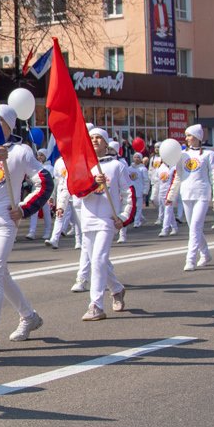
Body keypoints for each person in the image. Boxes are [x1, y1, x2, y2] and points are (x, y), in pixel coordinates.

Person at [0, 103, 49, 354]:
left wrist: (24, 208)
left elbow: (45, 181)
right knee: (2, 275)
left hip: (5, 220)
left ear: (9, 124)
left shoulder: (22, 152)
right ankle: (29, 316)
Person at [75, 130, 135, 320]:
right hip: (87, 219)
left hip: (107, 219)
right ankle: (117, 289)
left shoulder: (117, 166)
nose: (95, 140)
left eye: (99, 137)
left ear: (106, 142)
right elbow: (77, 192)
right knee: (95, 261)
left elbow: (129, 194)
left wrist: (123, 217)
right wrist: (93, 183)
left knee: (99, 260)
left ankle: (96, 305)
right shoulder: (83, 165)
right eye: (92, 137)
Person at [170, 124, 214, 269]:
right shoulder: (182, 155)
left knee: (196, 226)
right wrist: (171, 196)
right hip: (186, 194)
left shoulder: (209, 154)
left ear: (197, 137)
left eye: (189, 135)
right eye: (186, 136)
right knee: (193, 228)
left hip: (202, 193)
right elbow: (178, 176)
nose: (187, 138)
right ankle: (206, 254)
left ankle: (190, 260)